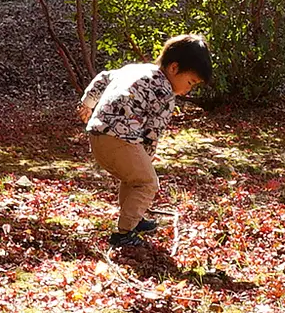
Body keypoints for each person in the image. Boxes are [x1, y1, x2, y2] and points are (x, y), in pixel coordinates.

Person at [75, 34, 212, 248]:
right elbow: (152, 132)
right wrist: (147, 158)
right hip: (121, 139)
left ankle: (134, 219)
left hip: (97, 134)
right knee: (147, 182)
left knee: (133, 178)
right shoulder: (165, 93)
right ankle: (124, 233)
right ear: (174, 68)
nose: (188, 90)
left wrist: (88, 104)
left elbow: (103, 77)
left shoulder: (134, 69)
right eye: (190, 82)